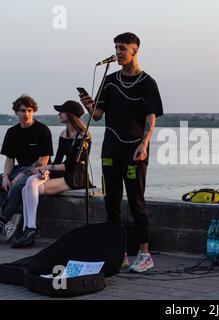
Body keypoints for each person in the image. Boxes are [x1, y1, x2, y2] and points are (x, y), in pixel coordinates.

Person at [79, 32, 163, 272]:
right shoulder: (110, 80)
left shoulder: (147, 82)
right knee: (111, 202)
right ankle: (120, 253)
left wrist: (144, 143)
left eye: (122, 48)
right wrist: (88, 103)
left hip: (134, 150)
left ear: (135, 50)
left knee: (136, 202)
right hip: (110, 150)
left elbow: (151, 118)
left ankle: (145, 254)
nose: (117, 52)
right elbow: (97, 116)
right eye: (116, 47)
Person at [12, 100, 91, 248]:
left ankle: (30, 229)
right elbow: (59, 159)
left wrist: (48, 166)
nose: (59, 114)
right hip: (61, 173)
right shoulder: (63, 133)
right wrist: (46, 171)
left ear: (70, 115)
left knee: (29, 185)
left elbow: (71, 165)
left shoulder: (83, 137)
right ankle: (29, 229)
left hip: (75, 177)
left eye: (61, 111)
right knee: (29, 185)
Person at [0, 95, 53, 242]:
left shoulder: (42, 130)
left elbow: (43, 160)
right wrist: (5, 176)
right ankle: (7, 220)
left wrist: (21, 175)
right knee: (2, 183)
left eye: (29, 110)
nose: (26, 114)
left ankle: (3, 220)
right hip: (18, 168)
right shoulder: (12, 132)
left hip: (40, 171)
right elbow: (9, 159)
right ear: (16, 112)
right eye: (22, 111)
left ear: (33, 111)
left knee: (17, 186)